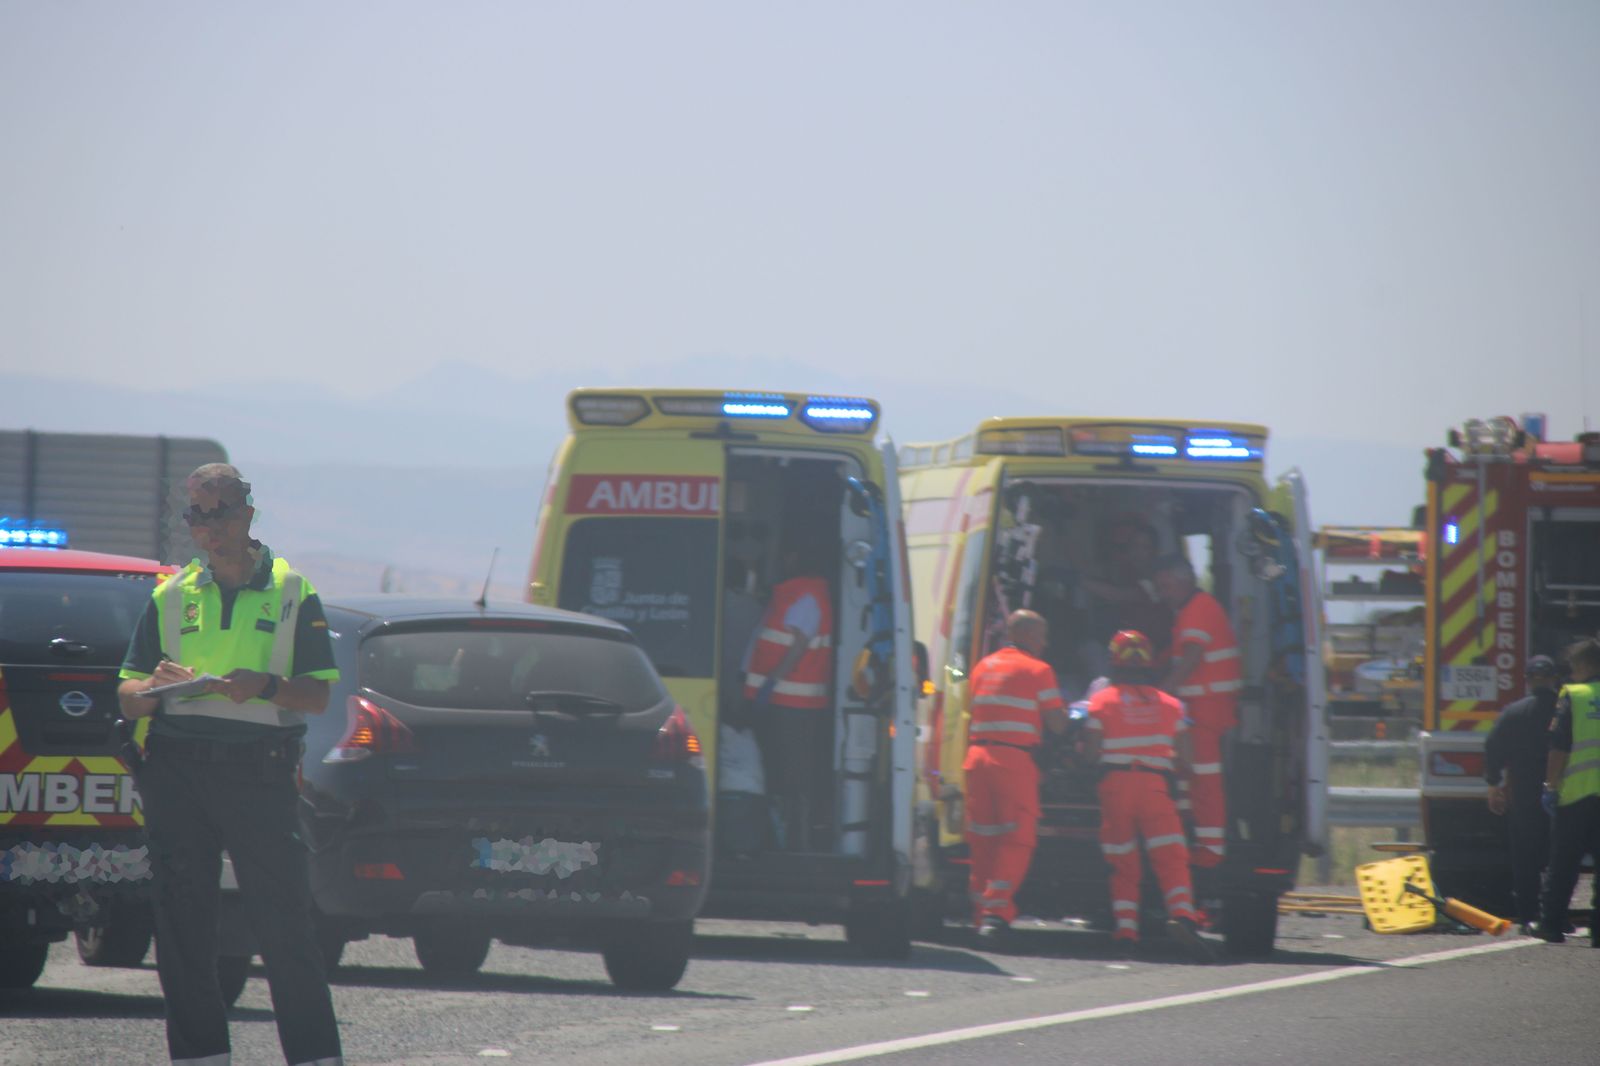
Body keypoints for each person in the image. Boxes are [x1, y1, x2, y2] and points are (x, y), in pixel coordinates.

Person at [117, 464, 344, 1066]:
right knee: (182, 925)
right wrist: (154, 685)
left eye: (217, 513)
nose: (208, 528)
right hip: (177, 767)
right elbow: (127, 691)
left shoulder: (293, 591)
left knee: (284, 924)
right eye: (196, 516)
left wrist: (265, 685)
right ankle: (200, 1056)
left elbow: (317, 694)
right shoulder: (171, 595)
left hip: (258, 772)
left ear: (246, 513)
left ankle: (316, 1056)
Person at [1083, 630, 1215, 962]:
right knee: (1171, 856)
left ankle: (1126, 932)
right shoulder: (1173, 705)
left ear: (1114, 660)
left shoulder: (1100, 701)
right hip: (1156, 788)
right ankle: (1183, 916)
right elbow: (1187, 761)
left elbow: (1090, 753)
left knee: (1123, 861)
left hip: (1115, 787)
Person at [962, 609, 1067, 940]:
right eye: (1042, 636)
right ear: (1025, 635)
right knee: (1018, 838)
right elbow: (1057, 724)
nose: (1046, 643)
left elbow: (960, 688)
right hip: (1013, 762)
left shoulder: (982, 666)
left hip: (977, 759)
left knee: (984, 840)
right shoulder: (1039, 670)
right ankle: (996, 911)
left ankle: (981, 915)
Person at [744, 544, 833, 850]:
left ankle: (793, 839)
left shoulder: (806, 595)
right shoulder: (797, 593)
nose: (783, 559)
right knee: (788, 770)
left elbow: (798, 646)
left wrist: (771, 681)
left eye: (787, 554)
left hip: (792, 702)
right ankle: (790, 834)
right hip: (787, 701)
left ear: (798, 558)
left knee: (792, 774)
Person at [1153, 554, 1240, 867]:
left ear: (1184, 581)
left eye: (1166, 586)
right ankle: (1193, 832)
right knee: (1191, 774)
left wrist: (1161, 694)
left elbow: (1190, 657)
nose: (1162, 593)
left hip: (1206, 708)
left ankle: (1210, 850)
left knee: (1204, 778)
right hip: (1200, 707)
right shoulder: (1193, 609)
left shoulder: (1196, 610)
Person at [1483, 654, 1562, 933]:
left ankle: (1529, 916)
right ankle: (1556, 915)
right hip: (1566, 795)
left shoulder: (1514, 713)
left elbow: (1493, 746)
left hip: (1525, 797)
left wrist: (1494, 784)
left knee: (1526, 859)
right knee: (1561, 857)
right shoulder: (1566, 711)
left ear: (1527, 681)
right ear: (1555, 679)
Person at [1536, 636, 1600, 946]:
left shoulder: (1573, 696)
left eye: (1573, 666)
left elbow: (1559, 748)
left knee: (1563, 864)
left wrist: (1550, 785)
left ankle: (1550, 925)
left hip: (1574, 797)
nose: (1571, 673)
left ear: (1587, 665)